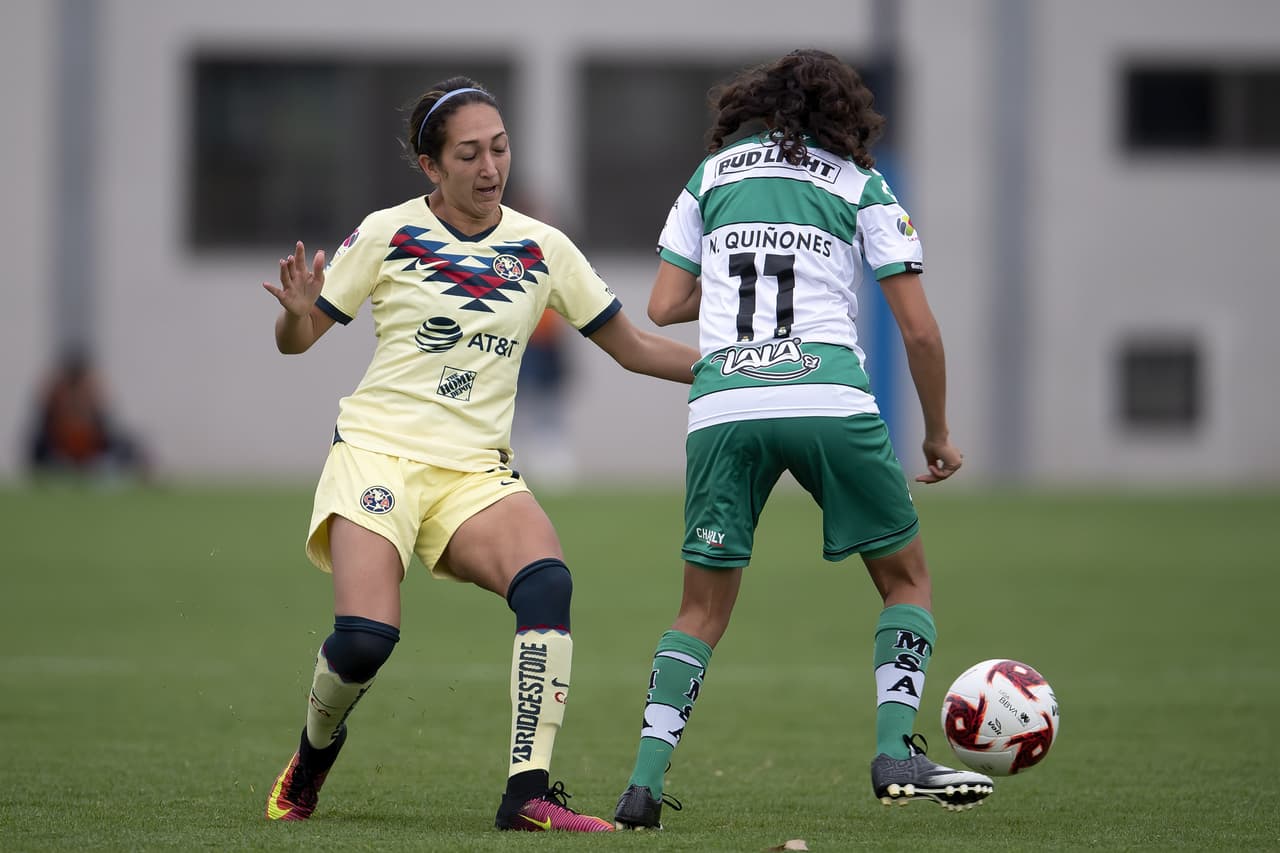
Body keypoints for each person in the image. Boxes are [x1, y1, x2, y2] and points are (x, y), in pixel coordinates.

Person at [260, 76, 701, 832]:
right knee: (364, 642)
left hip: (474, 473)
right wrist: (296, 316)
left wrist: (733, 365)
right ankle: (313, 752)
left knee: (547, 585)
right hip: (378, 456)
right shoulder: (388, 233)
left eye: (499, 147)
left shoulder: (542, 247)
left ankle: (525, 792)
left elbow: (630, 348)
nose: (490, 165)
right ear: (431, 166)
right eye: (468, 153)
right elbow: (299, 340)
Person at [611, 49, 994, 830]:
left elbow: (660, 303)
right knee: (905, 580)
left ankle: (643, 786)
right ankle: (895, 750)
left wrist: (730, 295)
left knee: (700, 609)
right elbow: (918, 331)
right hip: (826, 393)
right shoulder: (861, 185)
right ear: (845, 116)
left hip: (725, 403)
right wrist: (940, 434)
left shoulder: (712, 176)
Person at [26, 348, 150, 481]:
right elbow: (42, 434)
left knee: (126, 446)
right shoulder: (56, 394)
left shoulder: (91, 393)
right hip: (60, 457)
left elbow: (106, 431)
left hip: (92, 456)